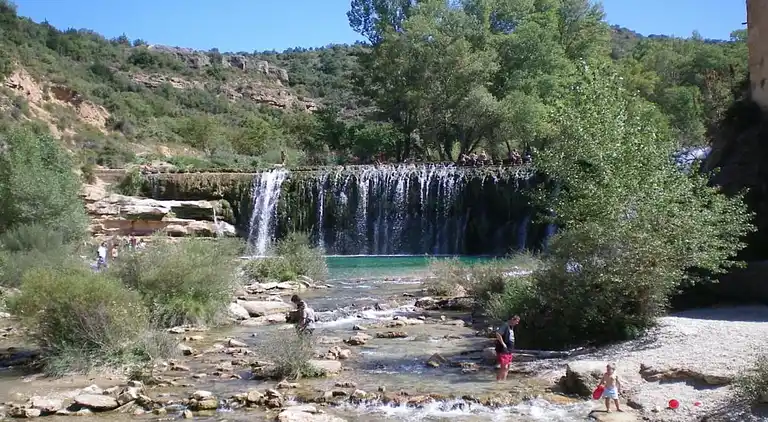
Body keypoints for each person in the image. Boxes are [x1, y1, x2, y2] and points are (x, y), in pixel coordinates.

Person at [494, 315, 520, 381]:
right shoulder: (505, 325)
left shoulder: (511, 327)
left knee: (508, 366)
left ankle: (503, 381)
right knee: (504, 366)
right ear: (512, 320)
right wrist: (503, 343)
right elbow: (498, 334)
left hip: (509, 349)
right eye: (516, 321)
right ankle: (498, 381)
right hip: (503, 349)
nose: (517, 323)